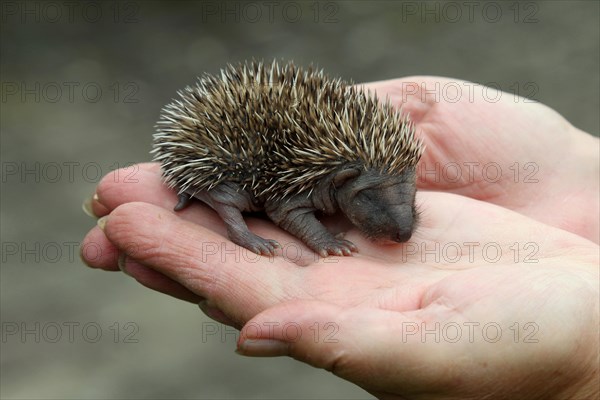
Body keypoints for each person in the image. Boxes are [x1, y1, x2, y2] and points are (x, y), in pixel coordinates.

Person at [81, 77, 599, 399]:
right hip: (225, 152)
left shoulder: (380, 165)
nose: (399, 223)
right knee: (235, 195)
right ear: (343, 187)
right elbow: (287, 205)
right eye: (376, 204)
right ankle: (227, 209)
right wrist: (322, 240)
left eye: (405, 199)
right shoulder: (310, 181)